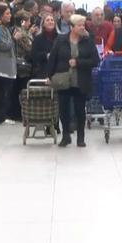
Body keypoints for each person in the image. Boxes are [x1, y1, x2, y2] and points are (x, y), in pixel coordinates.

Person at [46, 14, 99, 147]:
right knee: (63, 109)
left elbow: (95, 61)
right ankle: (65, 136)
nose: (82, 27)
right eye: (79, 25)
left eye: (83, 25)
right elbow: (53, 58)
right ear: (71, 27)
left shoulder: (88, 41)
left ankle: (80, 137)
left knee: (80, 110)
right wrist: (49, 75)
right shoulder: (61, 40)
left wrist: (78, 62)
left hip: (80, 80)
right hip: (63, 79)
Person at [31, 14, 58, 79]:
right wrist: (46, 55)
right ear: (43, 24)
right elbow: (34, 55)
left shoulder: (59, 38)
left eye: (52, 20)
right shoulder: (38, 38)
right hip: (42, 70)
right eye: (47, 20)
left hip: (57, 71)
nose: (50, 22)